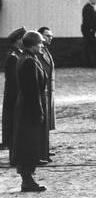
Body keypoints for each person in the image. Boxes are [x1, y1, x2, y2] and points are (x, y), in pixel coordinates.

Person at [12, 31, 48, 192]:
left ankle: (27, 178)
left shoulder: (26, 58)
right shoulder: (29, 62)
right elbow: (32, 90)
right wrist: (38, 112)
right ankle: (27, 180)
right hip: (29, 109)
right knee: (29, 143)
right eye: (39, 43)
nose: (42, 46)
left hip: (25, 107)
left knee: (27, 142)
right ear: (32, 44)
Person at [1, 27, 26, 166]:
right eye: (23, 38)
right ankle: (14, 157)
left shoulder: (18, 54)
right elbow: (13, 81)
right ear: (18, 40)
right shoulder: (13, 57)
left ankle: (16, 155)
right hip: (14, 98)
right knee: (13, 126)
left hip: (16, 97)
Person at [37, 27, 56, 162]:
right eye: (47, 36)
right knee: (42, 122)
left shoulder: (46, 50)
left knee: (47, 122)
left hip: (49, 91)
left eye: (51, 36)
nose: (50, 38)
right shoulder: (38, 52)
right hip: (43, 91)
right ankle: (41, 151)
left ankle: (45, 150)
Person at [81, 0, 96, 68]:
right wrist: (91, 29)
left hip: (89, 30)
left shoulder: (90, 7)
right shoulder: (87, 8)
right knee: (90, 47)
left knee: (89, 46)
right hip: (89, 31)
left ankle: (90, 62)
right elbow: (87, 20)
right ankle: (90, 63)